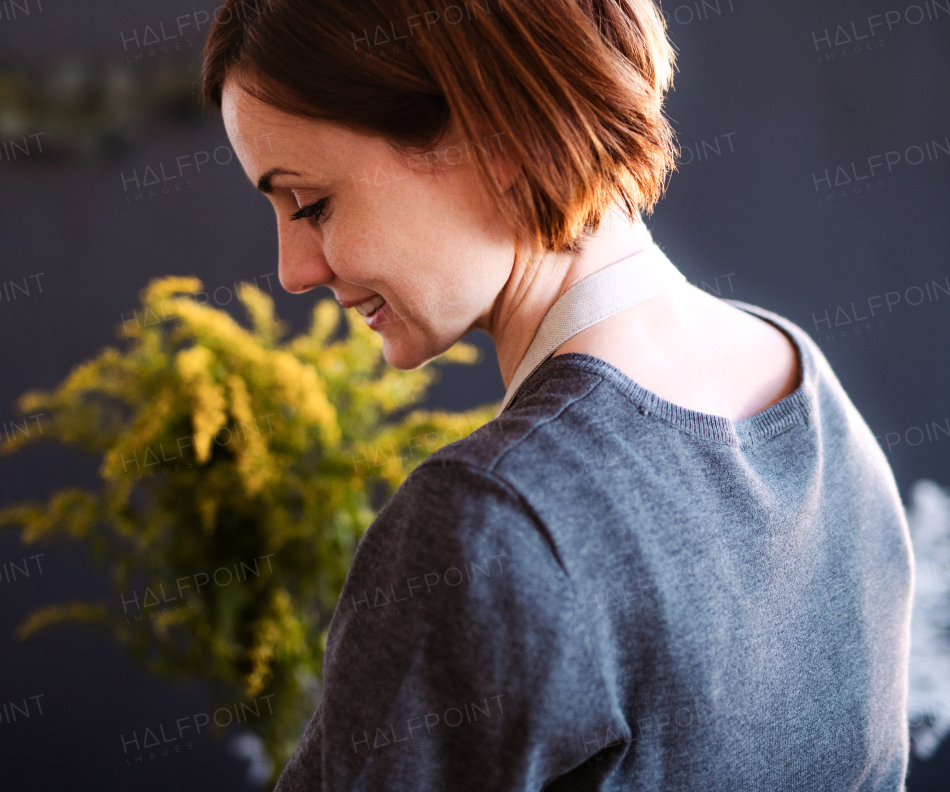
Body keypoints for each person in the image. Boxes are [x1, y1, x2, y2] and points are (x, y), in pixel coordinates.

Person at [202, 1, 913, 789]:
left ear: (497, 133)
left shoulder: (488, 519)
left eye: (310, 204)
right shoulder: (800, 379)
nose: (292, 270)